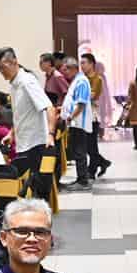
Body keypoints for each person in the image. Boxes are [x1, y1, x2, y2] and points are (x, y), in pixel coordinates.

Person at [0, 47, 57, 197]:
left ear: (14, 62)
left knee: (37, 192)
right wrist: (11, 133)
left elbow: (49, 108)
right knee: (26, 190)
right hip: (24, 144)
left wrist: (50, 134)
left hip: (36, 144)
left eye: (3, 67)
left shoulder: (27, 82)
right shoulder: (14, 84)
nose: (1, 71)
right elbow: (20, 114)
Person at [59, 56, 93, 190]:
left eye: (65, 70)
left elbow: (81, 104)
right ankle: (80, 178)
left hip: (79, 122)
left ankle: (83, 181)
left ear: (72, 68)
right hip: (75, 122)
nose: (64, 73)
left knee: (80, 152)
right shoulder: (76, 80)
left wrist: (70, 117)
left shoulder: (82, 81)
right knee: (77, 151)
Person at [79, 53, 112, 177]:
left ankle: (92, 170)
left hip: (92, 115)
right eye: (81, 63)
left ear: (91, 64)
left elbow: (91, 96)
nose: (82, 66)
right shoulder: (83, 78)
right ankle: (102, 163)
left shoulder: (97, 79)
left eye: (84, 63)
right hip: (83, 114)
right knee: (88, 145)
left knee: (91, 144)